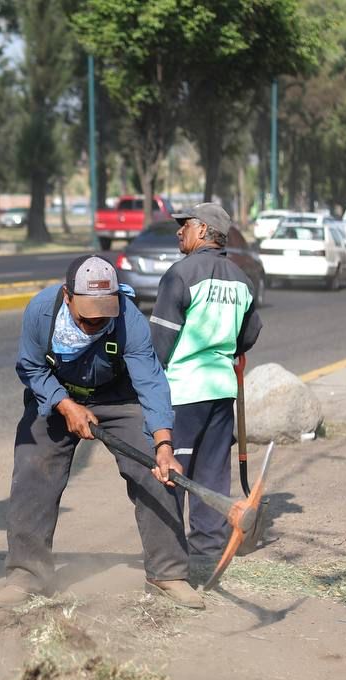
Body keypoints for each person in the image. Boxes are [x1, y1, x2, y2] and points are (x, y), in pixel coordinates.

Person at [0, 255, 204, 610]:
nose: (94, 324)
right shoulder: (41, 312)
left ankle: (167, 572)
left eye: (102, 315)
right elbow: (29, 367)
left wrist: (164, 444)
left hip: (117, 397)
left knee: (157, 472)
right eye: (86, 316)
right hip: (55, 393)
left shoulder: (129, 319)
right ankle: (28, 573)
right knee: (33, 470)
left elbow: (151, 380)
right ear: (67, 295)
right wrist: (65, 405)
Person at [150, 202, 262, 557]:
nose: (179, 232)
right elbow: (249, 335)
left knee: (172, 471)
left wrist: (149, 387)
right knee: (211, 471)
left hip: (183, 391)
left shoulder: (181, 274)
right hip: (220, 390)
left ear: (202, 231)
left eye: (185, 226)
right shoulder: (241, 279)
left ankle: (169, 554)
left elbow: (160, 339)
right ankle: (209, 547)